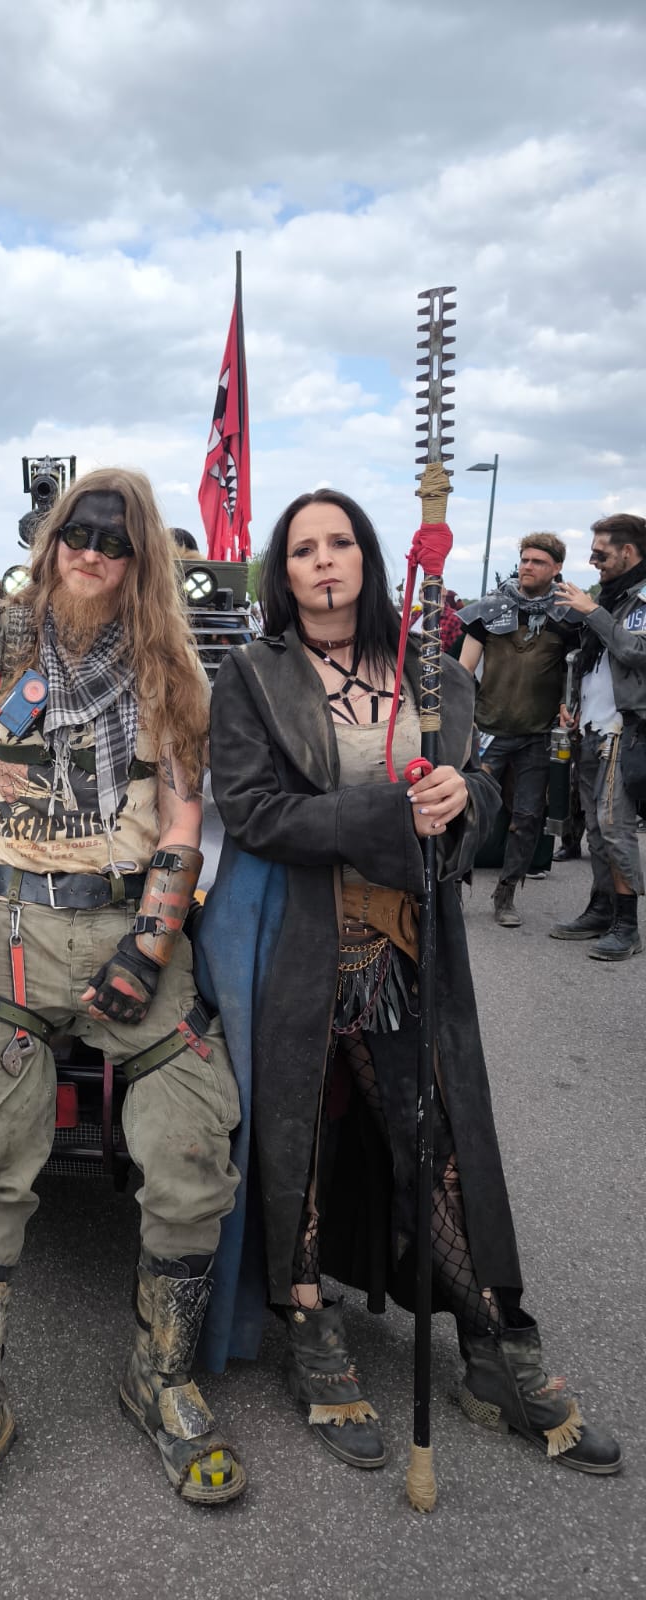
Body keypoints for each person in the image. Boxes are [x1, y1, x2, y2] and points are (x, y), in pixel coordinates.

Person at [205, 487, 620, 1478]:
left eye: (340, 542)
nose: (324, 560)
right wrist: (391, 812)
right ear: (283, 570)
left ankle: (492, 1347)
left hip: (407, 946)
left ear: (368, 557)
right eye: (303, 548)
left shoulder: (429, 671)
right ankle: (311, 1329)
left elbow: (478, 789)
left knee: (437, 1142)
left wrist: (457, 794)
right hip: (296, 947)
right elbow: (253, 811)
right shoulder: (254, 675)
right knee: (299, 1142)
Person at [0, 467, 246, 1545]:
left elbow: (181, 823)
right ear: (51, 541)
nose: (92, 552)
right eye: (76, 534)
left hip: (132, 933)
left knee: (191, 1155)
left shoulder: (171, 669)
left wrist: (151, 944)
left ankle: (160, 1377)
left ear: (143, 557)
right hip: (12, 938)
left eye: (115, 539)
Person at [457, 534, 579, 926]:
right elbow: (463, 672)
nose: (527, 566)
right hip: (487, 730)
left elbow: (576, 672)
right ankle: (451, 890)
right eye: (524, 559)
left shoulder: (568, 617)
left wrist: (570, 705)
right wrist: (462, 719)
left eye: (538, 562)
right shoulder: (491, 610)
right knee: (468, 813)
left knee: (526, 818)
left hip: (538, 736)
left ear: (556, 568)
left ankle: (506, 894)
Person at [550, 513, 646, 960]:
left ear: (628, 552)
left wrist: (593, 611)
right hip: (592, 726)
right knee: (594, 826)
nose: (593, 563)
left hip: (624, 731)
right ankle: (602, 908)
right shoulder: (612, 597)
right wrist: (572, 702)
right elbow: (590, 663)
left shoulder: (639, 597)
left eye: (600, 554)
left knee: (614, 826)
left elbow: (634, 651)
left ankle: (628, 925)